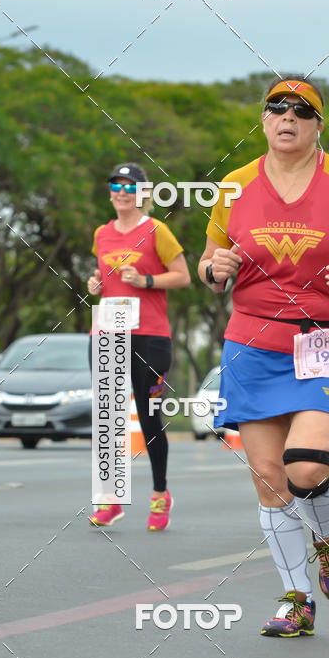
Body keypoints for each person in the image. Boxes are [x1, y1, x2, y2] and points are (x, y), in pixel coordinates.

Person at [199, 77, 329, 636]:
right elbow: (210, 258)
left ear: (318, 125)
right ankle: (297, 599)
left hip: (322, 339)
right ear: (264, 120)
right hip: (252, 342)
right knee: (269, 478)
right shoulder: (235, 187)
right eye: (276, 108)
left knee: (307, 468)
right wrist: (214, 270)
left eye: (301, 110)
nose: (287, 117)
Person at [87, 162, 191, 530]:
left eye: (129, 186)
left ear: (143, 194)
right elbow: (104, 275)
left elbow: (182, 276)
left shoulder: (156, 231)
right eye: (115, 185)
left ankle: (160, 494)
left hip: (149, 335)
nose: (120, 192)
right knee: (110, 420)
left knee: (148, 416)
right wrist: (96, 284)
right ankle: (110, 501)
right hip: (107, 331)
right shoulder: (102, 233)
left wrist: (146, 279)